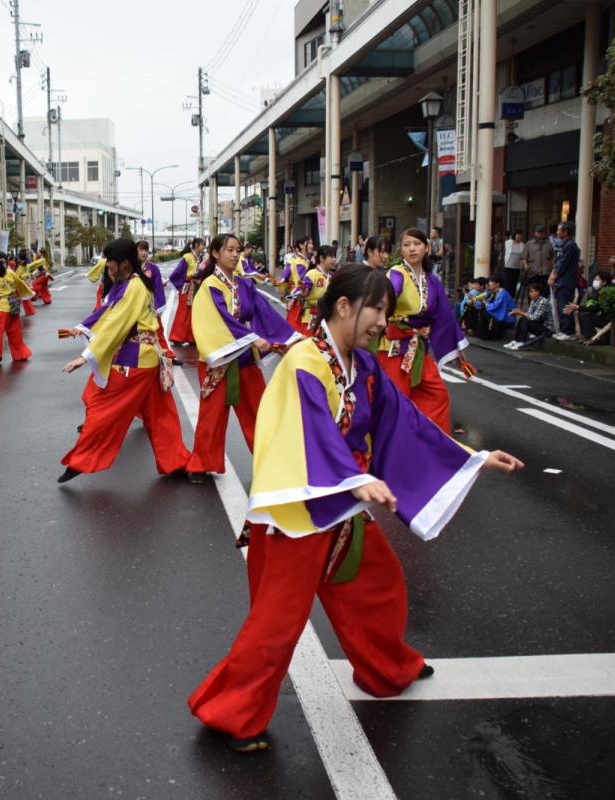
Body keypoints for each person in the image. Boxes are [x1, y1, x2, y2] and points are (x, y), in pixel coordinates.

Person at [187, 264, 523, 752]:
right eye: (378, 310)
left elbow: (405, 424)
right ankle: (230, 714)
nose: (383, 323)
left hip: (341, 506)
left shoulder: (361, 364)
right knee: (277, 624)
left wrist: (471, 460)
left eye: (387, 312)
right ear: (343, 306)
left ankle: (388, 667)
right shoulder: (305, 361)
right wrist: (354, 478)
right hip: (297, 516)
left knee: (377, 585)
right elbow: (309, 433)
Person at [59, 238, 189, 482]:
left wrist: (86, 356)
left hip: (136, 358)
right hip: (147, 356)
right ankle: (176, 461)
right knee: (161, 415)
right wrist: (82, 327)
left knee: (105, 407)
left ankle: (82, 460)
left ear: (125, 264)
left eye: (111, 264)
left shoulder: (134, 286)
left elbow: (116, 323)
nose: (108, 269)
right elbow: (107, 311)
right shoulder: (130, 283)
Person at [185, 234, 296, 484]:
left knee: (260, 411)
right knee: (211, 415)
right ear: (215, 253)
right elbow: (220, 319)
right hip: (220, 359)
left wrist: (288, 338)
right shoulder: (210, 286)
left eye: (238, 250)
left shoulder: (244, 284)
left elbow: (263, 312)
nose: (235, 255)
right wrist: (252, 338)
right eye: (229, 250)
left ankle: (270, 461)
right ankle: (201, 463)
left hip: (244, 357)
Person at [377, 227, 468, 433]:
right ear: (400, 250)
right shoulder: (396, 274)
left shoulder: (432, 281)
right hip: (394, 350)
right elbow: (388, 293)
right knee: (396, 403)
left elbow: (445, 316)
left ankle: (430, 447)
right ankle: (394, 451)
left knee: (437, 395)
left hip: (418, 349)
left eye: (417, 244)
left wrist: (457, 347)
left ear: (426, 248)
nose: (412, 249)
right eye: (406, 245)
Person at [0, 256, 34, 365]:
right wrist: (28, 293)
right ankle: (20, 354)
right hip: (14, 305)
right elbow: (20, 285)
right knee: (15, 332)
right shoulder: (11, 273)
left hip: (3, 307)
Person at [285, 244, 337, 333]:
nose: (334, 259)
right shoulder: (312, 274)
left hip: (326, 319)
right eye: (331, 257)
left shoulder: (332, 277)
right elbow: (303, 291)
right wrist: (301, 293)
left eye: (334, 257)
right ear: (321, 258)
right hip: (311, 318)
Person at [166, 238, 205, 345]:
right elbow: (178, 272)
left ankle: (191, 338)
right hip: (187, 286)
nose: (204, 247)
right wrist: (169, 281)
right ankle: (177, 337)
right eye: (202, 244)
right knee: (183, 311)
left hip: (196, 286)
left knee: (194, 312)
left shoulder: (201, 258)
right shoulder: (187, 257)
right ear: (196, 245)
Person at [549, 222, 581, 338]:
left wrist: (554, 276)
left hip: (566, 280)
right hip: (562, 280)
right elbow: (558, 262)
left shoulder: (570, 245)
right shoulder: (565, 244)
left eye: (559, 230)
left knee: (564, 305)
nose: (557, 232)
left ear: (565, 232)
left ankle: (569, 331)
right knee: (560, 305)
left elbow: (563, 263)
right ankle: (563, 329)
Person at [505, 281, 553, 349]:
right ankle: (516, 340)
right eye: (531, 292)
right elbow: (529, 314)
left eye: (536, 291)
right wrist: (518, 313)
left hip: (547, 329)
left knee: (525, 320)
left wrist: (520, 313)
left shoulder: (543, 301)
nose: (533, 293)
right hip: (539, 325)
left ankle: (522, 342)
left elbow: (534, 317)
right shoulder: (533, 301)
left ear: (539, 292)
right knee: (522, 319)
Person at [476, 275, 515, 340]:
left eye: (492, 281)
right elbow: (488, 303)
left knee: (486, 312)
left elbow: (495, 306)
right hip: (500, 315)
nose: (489, 283)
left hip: (506, 318)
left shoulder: (503, 294)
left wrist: (485, 303)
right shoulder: (495, 292)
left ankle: (487, 334)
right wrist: (482, 302)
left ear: (497, 284)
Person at [520, 225, 554, 290]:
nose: (540, 234)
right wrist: (525, 265)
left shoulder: (549, 244)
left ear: (545, 233)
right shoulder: (529, 244)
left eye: (542, 232)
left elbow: (553, 258)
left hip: (546, 273)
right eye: (539, 232)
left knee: (545, 293)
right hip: (533, 273)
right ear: (535, 233)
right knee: (532, 292)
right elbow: (523, 257)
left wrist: (553, 269)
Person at [503, 231, 523, 296]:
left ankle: (512, 297)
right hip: (508, 265)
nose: (519, 236)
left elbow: (523, 256)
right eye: (518, 235)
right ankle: (506, 297)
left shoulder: (522, 245)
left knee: (514, 283)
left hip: (517, 267)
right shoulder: (508, 242)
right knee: (507, 282)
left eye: (520, 235)